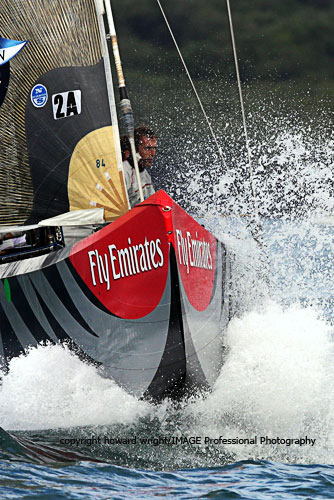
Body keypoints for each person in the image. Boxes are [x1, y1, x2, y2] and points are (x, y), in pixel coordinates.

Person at [121, 125, 156, 208]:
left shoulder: (145, 175)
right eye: (147, 148)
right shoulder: (124, 172)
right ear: (135, 149)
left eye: (154, 148)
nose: (153, 153)